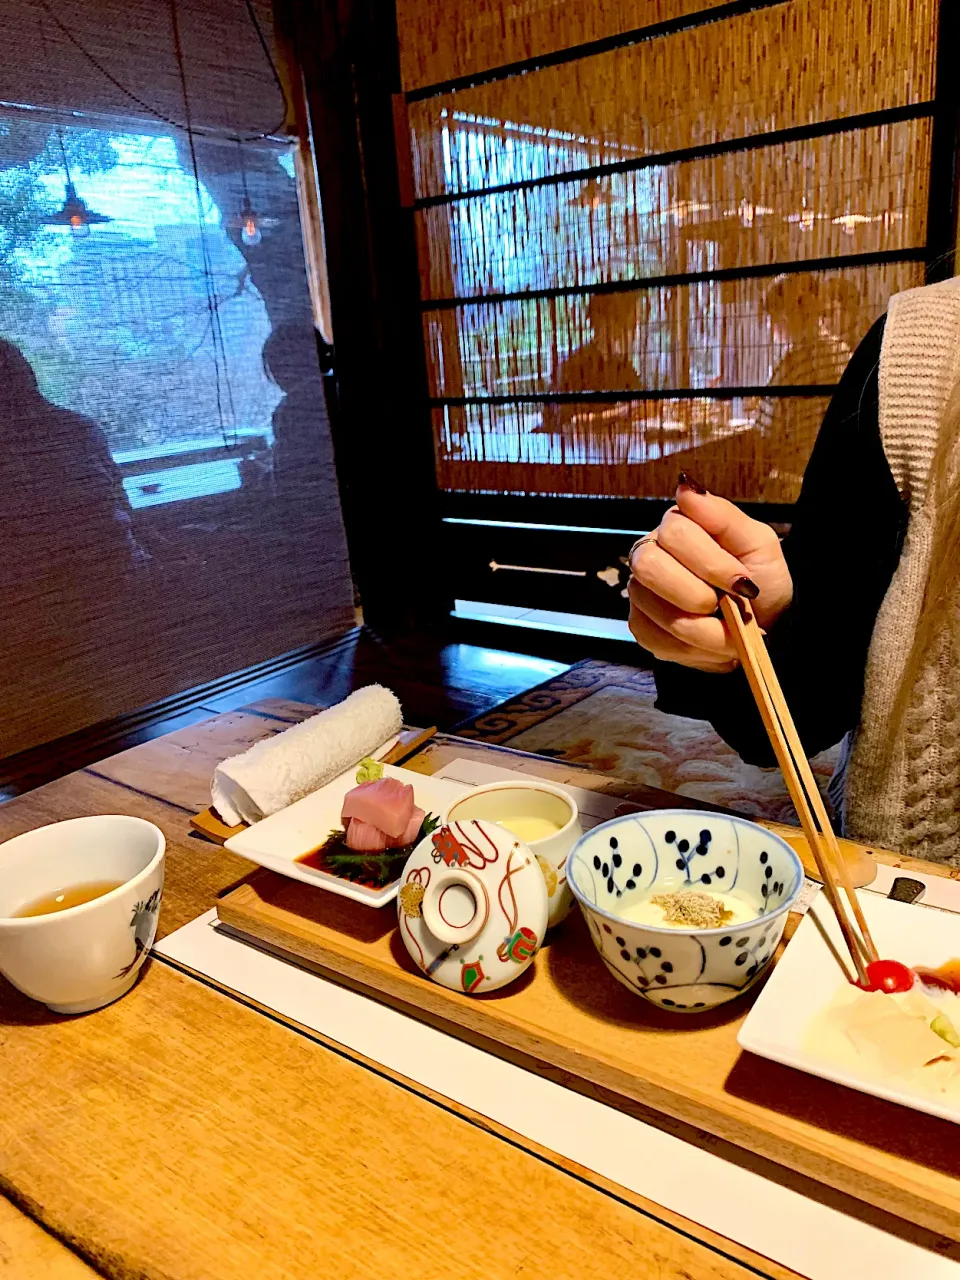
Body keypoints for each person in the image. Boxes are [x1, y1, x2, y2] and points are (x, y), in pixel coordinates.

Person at [627, 275, 960, 864]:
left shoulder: (817, 353)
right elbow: (804, 707)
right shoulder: (918, 345)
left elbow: (771, 425)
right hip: (896, 871)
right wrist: (766, 623)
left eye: (783, 313)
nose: (783, 323)